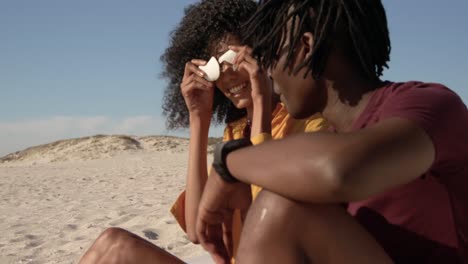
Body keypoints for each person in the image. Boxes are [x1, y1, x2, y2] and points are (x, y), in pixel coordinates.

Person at [195, 0, 468, 263]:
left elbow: (338, 170)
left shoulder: (429, 105)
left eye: (273, 56)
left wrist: (227, 163)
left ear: (307, 47)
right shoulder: (328, 140)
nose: (270, 73)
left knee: (280, 205)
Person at [78, 0, 325, 263]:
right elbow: (197, 231)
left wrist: (262, 101)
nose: (227, 76)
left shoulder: (306, 125)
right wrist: (198, 117)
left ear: (262, 52)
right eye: (216, 67)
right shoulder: (236, 132)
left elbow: (269, 225)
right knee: (111, 242)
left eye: (234, 59)